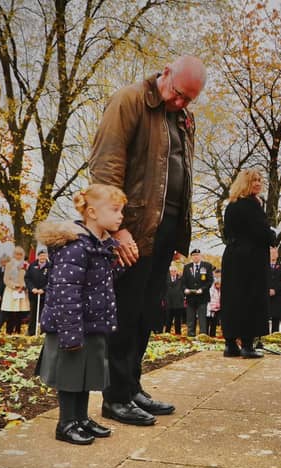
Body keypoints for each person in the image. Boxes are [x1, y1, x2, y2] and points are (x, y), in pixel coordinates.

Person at [88, 55, 206, 425]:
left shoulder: (183, 119)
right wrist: (116, 229)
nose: (181, 103)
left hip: (165, 231)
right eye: (178, 94)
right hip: (133, 228)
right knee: (124, 314)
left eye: (189, 99)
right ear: (165, 73)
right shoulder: (130, 101)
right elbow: (105, 167)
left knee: (144, 315)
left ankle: (132, 387)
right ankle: (115, 397)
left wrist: (176, 234)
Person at [35, 184, 125, 445]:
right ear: (94, 213)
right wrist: (70, 331)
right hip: (73, 325)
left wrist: (114, 257)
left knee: (86, 374)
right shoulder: (75, 247)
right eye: (116, 210)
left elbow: (102, 282)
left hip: (92, 322)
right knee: (71, 375)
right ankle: (66, 423)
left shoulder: (98, 246)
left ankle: (81, 418)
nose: (121, 217)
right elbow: (65, 292)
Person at [220, 169, 276, 358]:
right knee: (250, 298)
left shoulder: (231, 205)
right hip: (251, 259)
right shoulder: (252, 205)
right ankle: (247, 344)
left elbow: (227, 233)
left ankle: (230, 344)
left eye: (260, 180)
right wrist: (272, 235)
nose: (259, 184)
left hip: (232, 256)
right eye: (254, 181)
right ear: (246, 183)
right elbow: (262, 232)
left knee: (232, 299)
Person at [182, 249, 214, 336]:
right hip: (190, 297)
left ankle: (202, 336)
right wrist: (185, 289)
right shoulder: (187, 267)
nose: (196, 256)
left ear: (200, 256)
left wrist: (202, 289)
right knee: (190, 319)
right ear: (191, 257)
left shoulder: (207, 266)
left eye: (197, 254)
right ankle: (191, 336)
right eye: (194, 255)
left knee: (202, 318)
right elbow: (183, 281)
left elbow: (210, 281)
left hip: (202, 297)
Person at [0, 246, 30, 335]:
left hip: (22, 291)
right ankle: (9, 331)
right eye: (17, 254)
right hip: (11, 291)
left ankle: (18, 330)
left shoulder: (26, 265)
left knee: (19, 312)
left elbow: (28, 278)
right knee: (10, 312)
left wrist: (23, 286)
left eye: (21, 254)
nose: (18, 256)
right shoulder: (9, 265)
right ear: (14, 254)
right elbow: (6, 279)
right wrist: (15, 286)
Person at [25, 250, 51, 336]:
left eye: (44, 256)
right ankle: (31, 331)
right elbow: (27, 278)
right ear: (38, 256)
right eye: (41, 256)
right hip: (33, 294)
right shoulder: (32, 265)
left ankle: (43, 331)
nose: (42, 257)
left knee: (44, 313)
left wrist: (44, 289)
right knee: (33, 313)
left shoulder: (49, 266)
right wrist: (32, 288)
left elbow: (51, 280)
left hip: (45, 295)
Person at [268, 247, 281, 333]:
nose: (273, 255)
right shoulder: (263, 266)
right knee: (264, 318)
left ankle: (274, 337)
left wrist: (275, 290)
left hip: (277, 297)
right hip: (266, 297)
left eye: (275, 253)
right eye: (271, 253)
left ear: (278, 255)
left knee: (276, 318)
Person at [163, 265, 184, 334]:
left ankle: (178, 333)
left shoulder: (181, 278)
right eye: (172, 271)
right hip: (169, 302)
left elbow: (183, 288)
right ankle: (167, 333)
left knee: (178, 320)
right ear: (170, 272)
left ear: (176, 271)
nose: (173, 272)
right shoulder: (166, 278)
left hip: (178, 303)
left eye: (174, 271)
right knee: (168, 319)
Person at [206, 269, 222, 337]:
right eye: (216, 274)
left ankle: (212, 335)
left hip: (218, 307)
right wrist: (211, 306)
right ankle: (206, 334)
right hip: (210, 306)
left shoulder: (221, 285)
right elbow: (209, 296)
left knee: (214, 322)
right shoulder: (211, 286)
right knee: (207, 321)